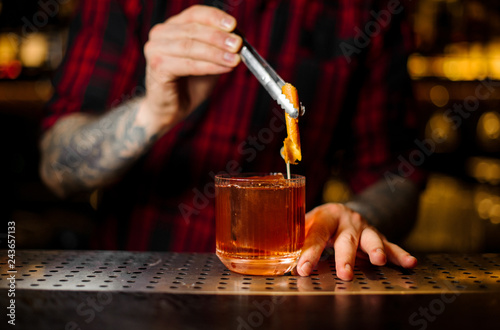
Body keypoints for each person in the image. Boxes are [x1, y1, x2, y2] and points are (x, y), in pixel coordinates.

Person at [39, 0, 424, 281]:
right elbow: (58, 170)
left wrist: (354, 218)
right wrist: (154, 110)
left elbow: (397, 177)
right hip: (131, 287)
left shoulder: (368, 10)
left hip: (286, 289)